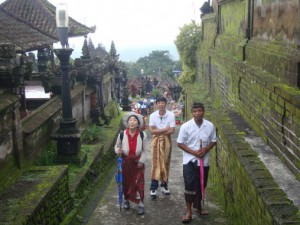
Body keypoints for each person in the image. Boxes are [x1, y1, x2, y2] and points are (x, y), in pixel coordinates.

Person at [177, 102, 217, 223]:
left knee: (201, 184)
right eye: (195, 111)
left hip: (203, 160)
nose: (198, 113)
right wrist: (194, 152)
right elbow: (180, 143)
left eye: (200, 111)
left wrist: (205, 149)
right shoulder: (186, 126)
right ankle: (188, 212)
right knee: (189, 185)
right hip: (189, 160)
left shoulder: (209, 125)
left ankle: (199, 207)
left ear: (203, 111)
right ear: (192, 112)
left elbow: (213, 141)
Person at [114, 112, 148, 215]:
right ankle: (127, 201)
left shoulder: (142, 134)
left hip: (138, 163)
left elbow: (145, 150)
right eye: (130, 120)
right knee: (126, 183)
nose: (132, 122)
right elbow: (116, 146)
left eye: (134, 120)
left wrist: (142, 161)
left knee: (139, 183)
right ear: (127, 123)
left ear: (138, 123)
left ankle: (141, 204)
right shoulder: (122, 134)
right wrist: (117, 151)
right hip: (125, 162)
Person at [148, 96, 175, 199]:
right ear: (156, 104)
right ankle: (153, 188)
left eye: (163, 102)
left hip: (167, 141)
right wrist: (165, 129)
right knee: (155, 163)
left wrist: (158, 131)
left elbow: (172, 131)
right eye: (159, 103)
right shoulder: (152, 115)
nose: (161, 104)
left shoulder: (171, 115)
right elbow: (152, 131)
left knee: (165, 162)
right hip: (155, 142)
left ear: (165, 103)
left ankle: (164, 185)